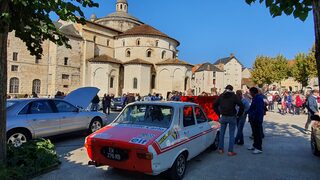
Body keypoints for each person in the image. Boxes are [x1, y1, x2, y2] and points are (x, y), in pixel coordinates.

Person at [214, 85, 244, 156]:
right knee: (231, 134)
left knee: (222, 133)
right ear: (232, 89)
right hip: (232, 117)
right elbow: (241, 105)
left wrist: (218, 113)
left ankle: (221, 149)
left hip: (223, 116)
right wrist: (238, 114)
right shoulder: (234, 96)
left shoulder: (221, 95)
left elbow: (214, 105)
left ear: (226, 89)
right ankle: (230, 151)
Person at [247, 87, 265, 154]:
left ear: (253, 92)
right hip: (253, 118)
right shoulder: (255, 98)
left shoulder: (259, 98)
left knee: (258, 134)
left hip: (257, 119)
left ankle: (259, 148)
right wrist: (247, 112)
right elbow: (252, 108)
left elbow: (260, 110)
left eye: (250, 92)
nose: (249, 93)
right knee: (254, 133)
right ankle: (255, 145)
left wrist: (259, 119)